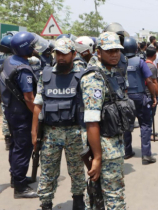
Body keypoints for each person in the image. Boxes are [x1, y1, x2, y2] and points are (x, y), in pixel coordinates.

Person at [32, 38, 85, 210]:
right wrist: (34, 133)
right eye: (58, 53)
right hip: (50, 132)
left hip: (75, 131)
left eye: (64, 54)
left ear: (73, 54)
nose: (60, 57)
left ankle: (78, 200)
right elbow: (38, 105)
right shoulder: (45, 75)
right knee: (47, 170)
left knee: (77, 169)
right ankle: (46, 203)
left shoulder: (82, 75)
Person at [80, 32, 127, 209]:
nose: (114, 54)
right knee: (113, 194)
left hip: (112, 143)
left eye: (117, 50)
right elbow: (91, 121)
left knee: (103, 192)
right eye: (109, 50)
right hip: (104, 146)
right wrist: (97, 157)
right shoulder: (94, 79)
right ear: (99, 52)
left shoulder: (109, 73)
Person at [0, 32, 48, 198]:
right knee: (23, 148)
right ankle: (20, 188)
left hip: (11, 111)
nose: (36, 49)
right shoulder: (23, 70)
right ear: (25, 48)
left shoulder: (9, 61)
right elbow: (29, 98)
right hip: (21, 114)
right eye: (33, 46)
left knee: (14, 146)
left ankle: (16, 177)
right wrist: (36, 115)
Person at [123, 37, 157, 164]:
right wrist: (153, 96)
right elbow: (149, 80)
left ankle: (127, 151)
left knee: (126, 125)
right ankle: (146, 154)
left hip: (125, 97)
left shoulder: (119, 61)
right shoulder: (140, 61)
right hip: (139, 96)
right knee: (145, 125)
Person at [0, 35, 13, 151]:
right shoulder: (14, 59)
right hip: (13, 92)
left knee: (5, 112)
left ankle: (7, 138)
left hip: (3, 91)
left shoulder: (2, 58)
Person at [145, 47, 158, 141]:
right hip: (150, 93)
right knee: (151, 115)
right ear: (154, 56)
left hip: (144, 92)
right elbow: (154, 82)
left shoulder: (143, 64)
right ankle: (149, 133)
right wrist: (157, 95)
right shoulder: (152, 67)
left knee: (148, 114)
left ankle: (148, 131)